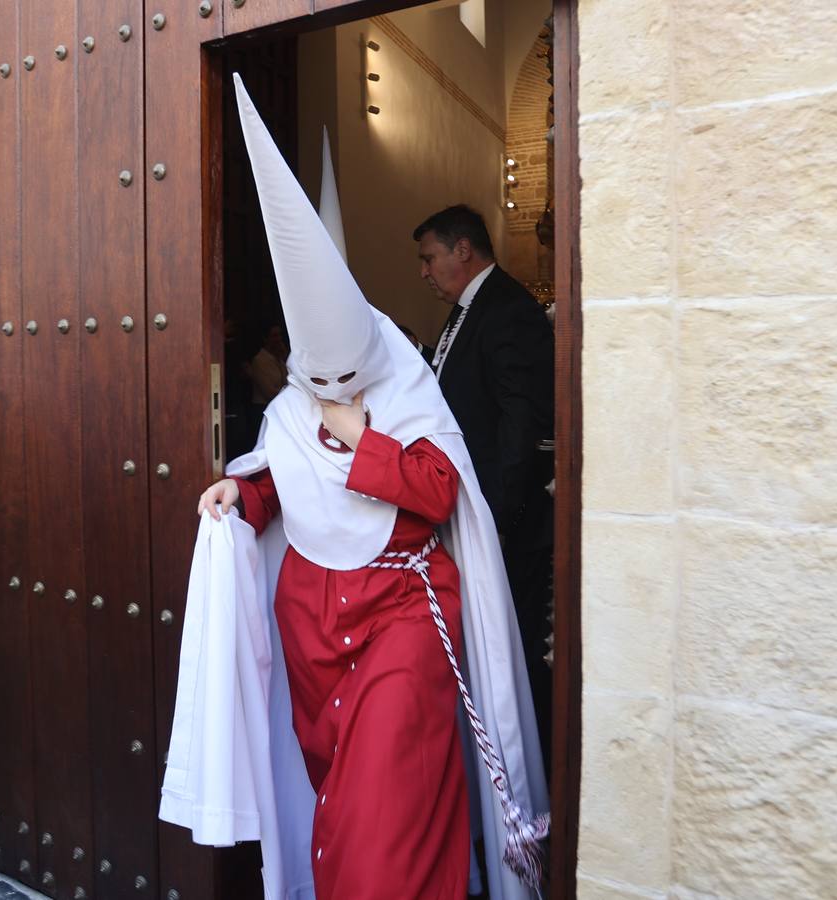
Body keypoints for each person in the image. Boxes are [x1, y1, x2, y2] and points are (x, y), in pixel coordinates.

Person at [177, 77, 547, 900]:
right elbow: (286, 481)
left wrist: (361, 435)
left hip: (404, 615)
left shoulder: (403, 384)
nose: (333, 391)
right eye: (322, 384)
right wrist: (243, 496)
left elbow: (438, 488)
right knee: (339, 803)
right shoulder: (294, 400)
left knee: (386, 806)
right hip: (312, 625)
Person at [413, 205, 556, 766]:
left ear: (462, 250)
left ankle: (525, 775)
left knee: (512, 649)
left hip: (505, 524)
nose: (424, 272)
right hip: (471, 512)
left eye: (430, 258)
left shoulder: (507, 312)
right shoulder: (464, 314)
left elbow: (520, 426)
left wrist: (491, 519)